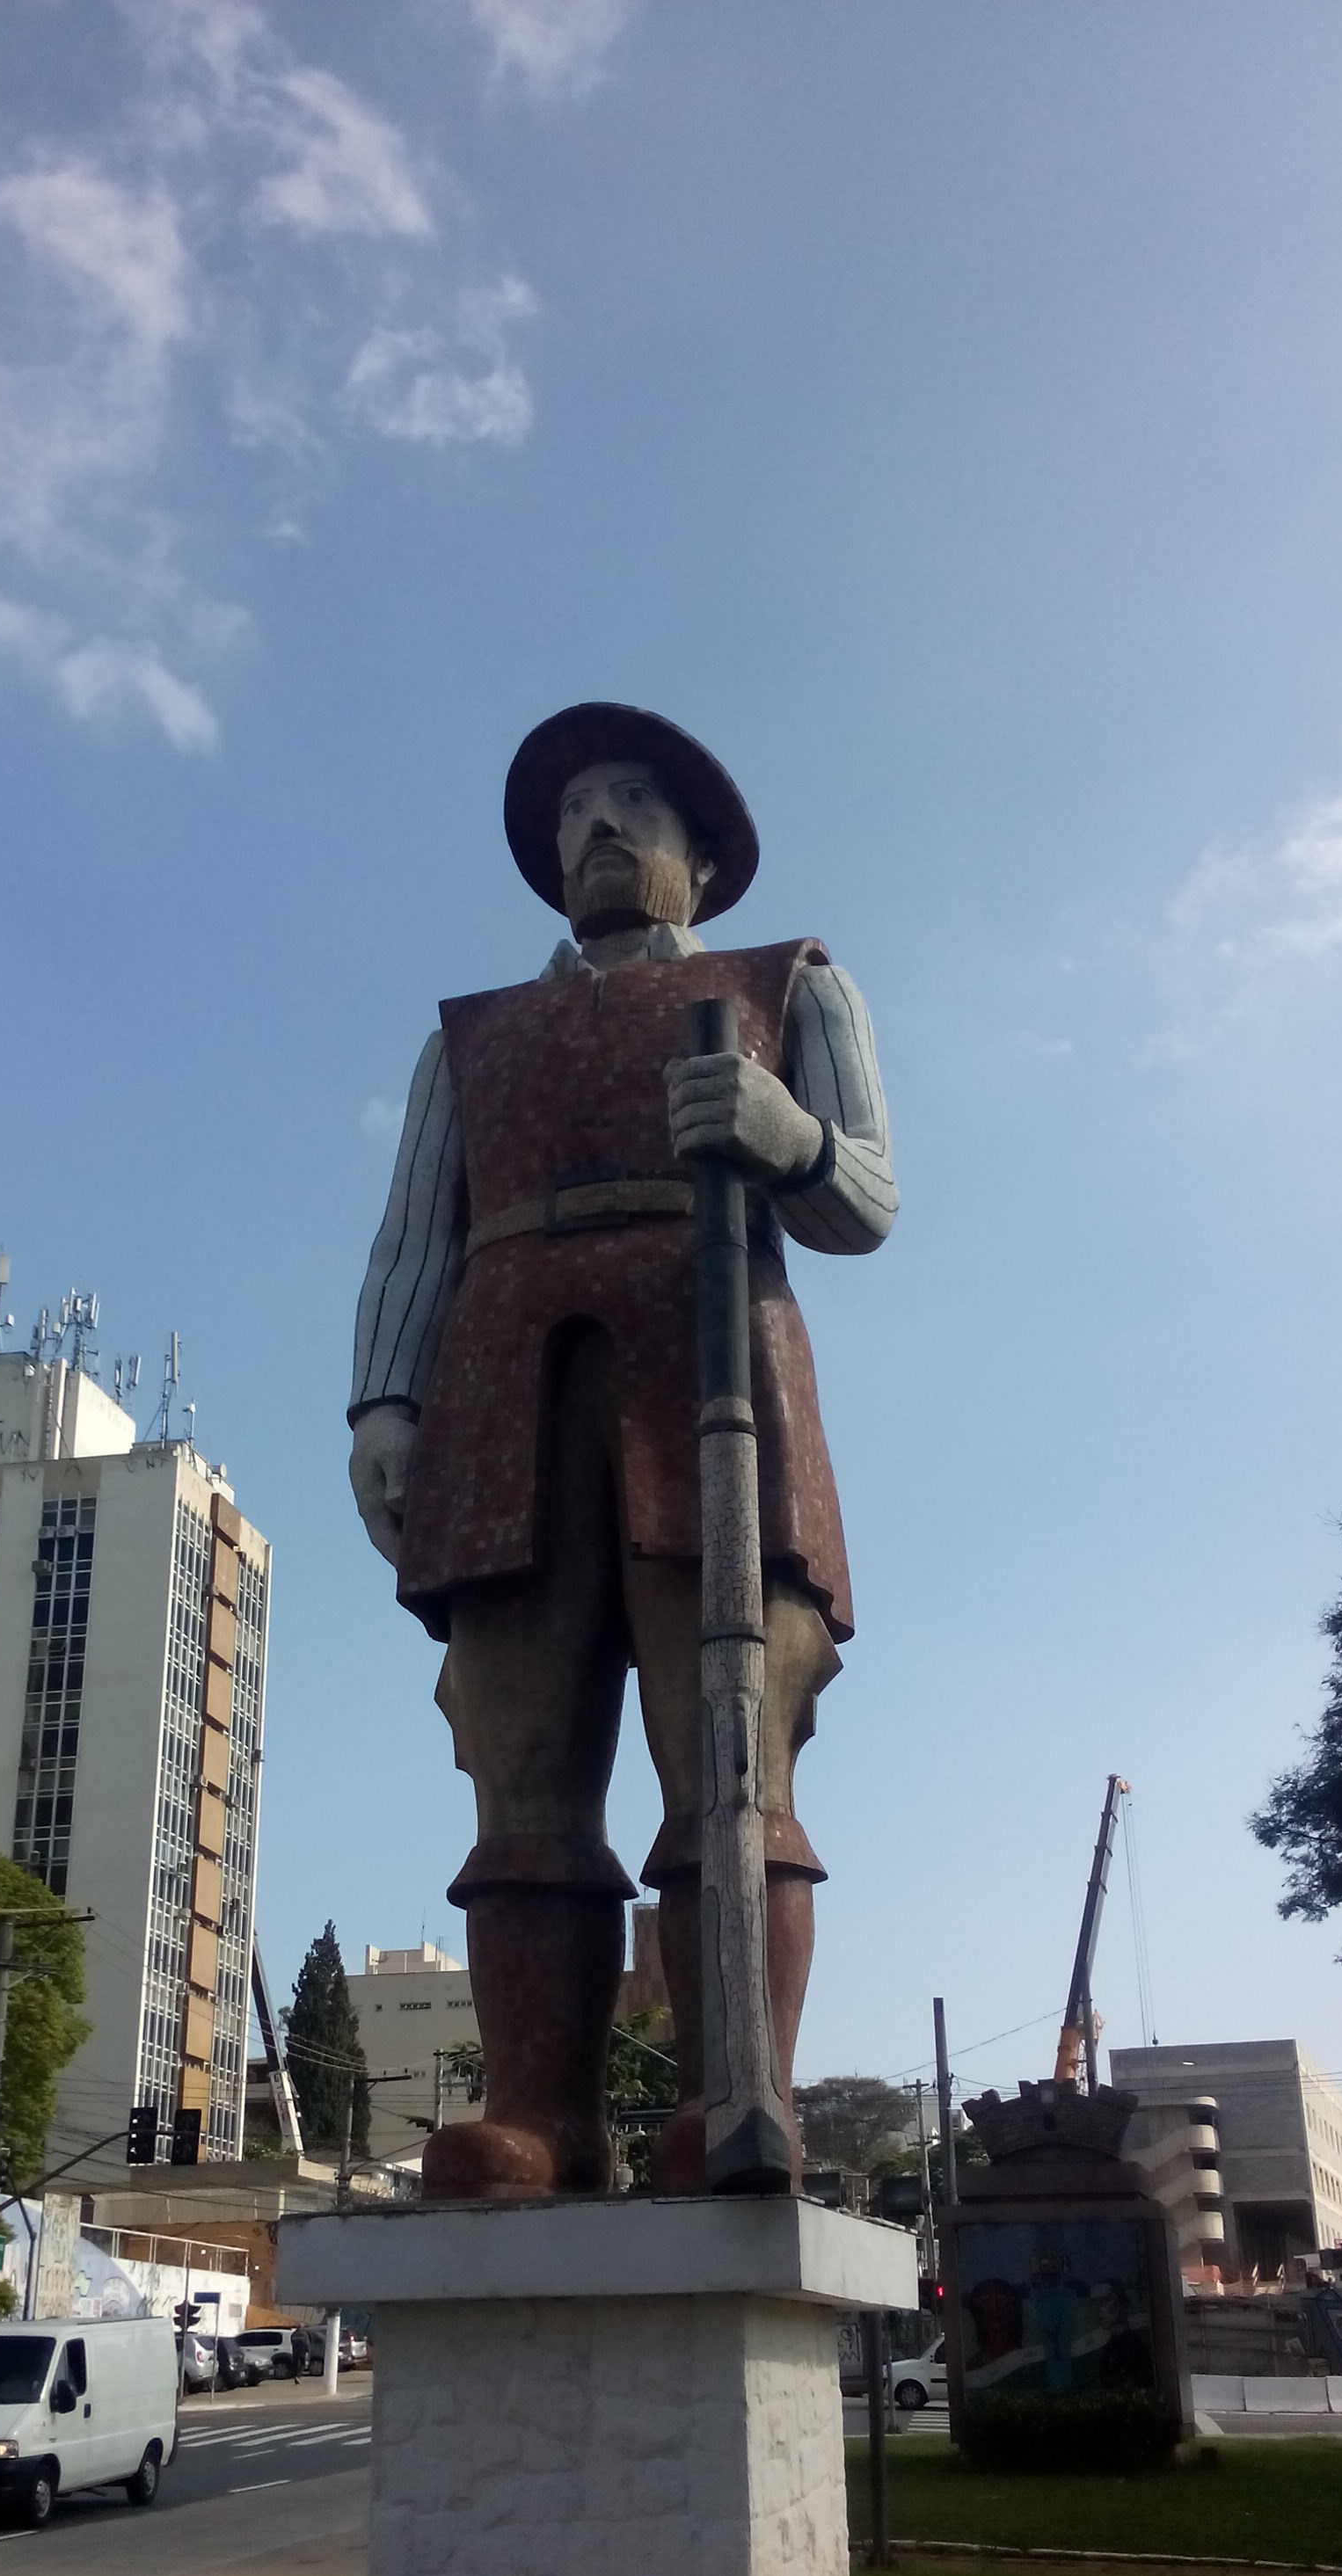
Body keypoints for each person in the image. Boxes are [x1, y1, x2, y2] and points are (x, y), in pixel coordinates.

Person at [350, 703, 897, 2199]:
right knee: (519, 1766)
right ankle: (542, 2116)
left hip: (713, 1375)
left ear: (700, 858)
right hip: (506, 1386)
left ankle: (740, 2100)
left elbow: (865, 1198)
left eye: (632, 802)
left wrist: (783, 1133)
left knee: (728, 1751)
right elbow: (415, 1241)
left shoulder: (788, 988)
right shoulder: (470, 1040)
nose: (595, 825)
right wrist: (384, 1405)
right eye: (575, 807)